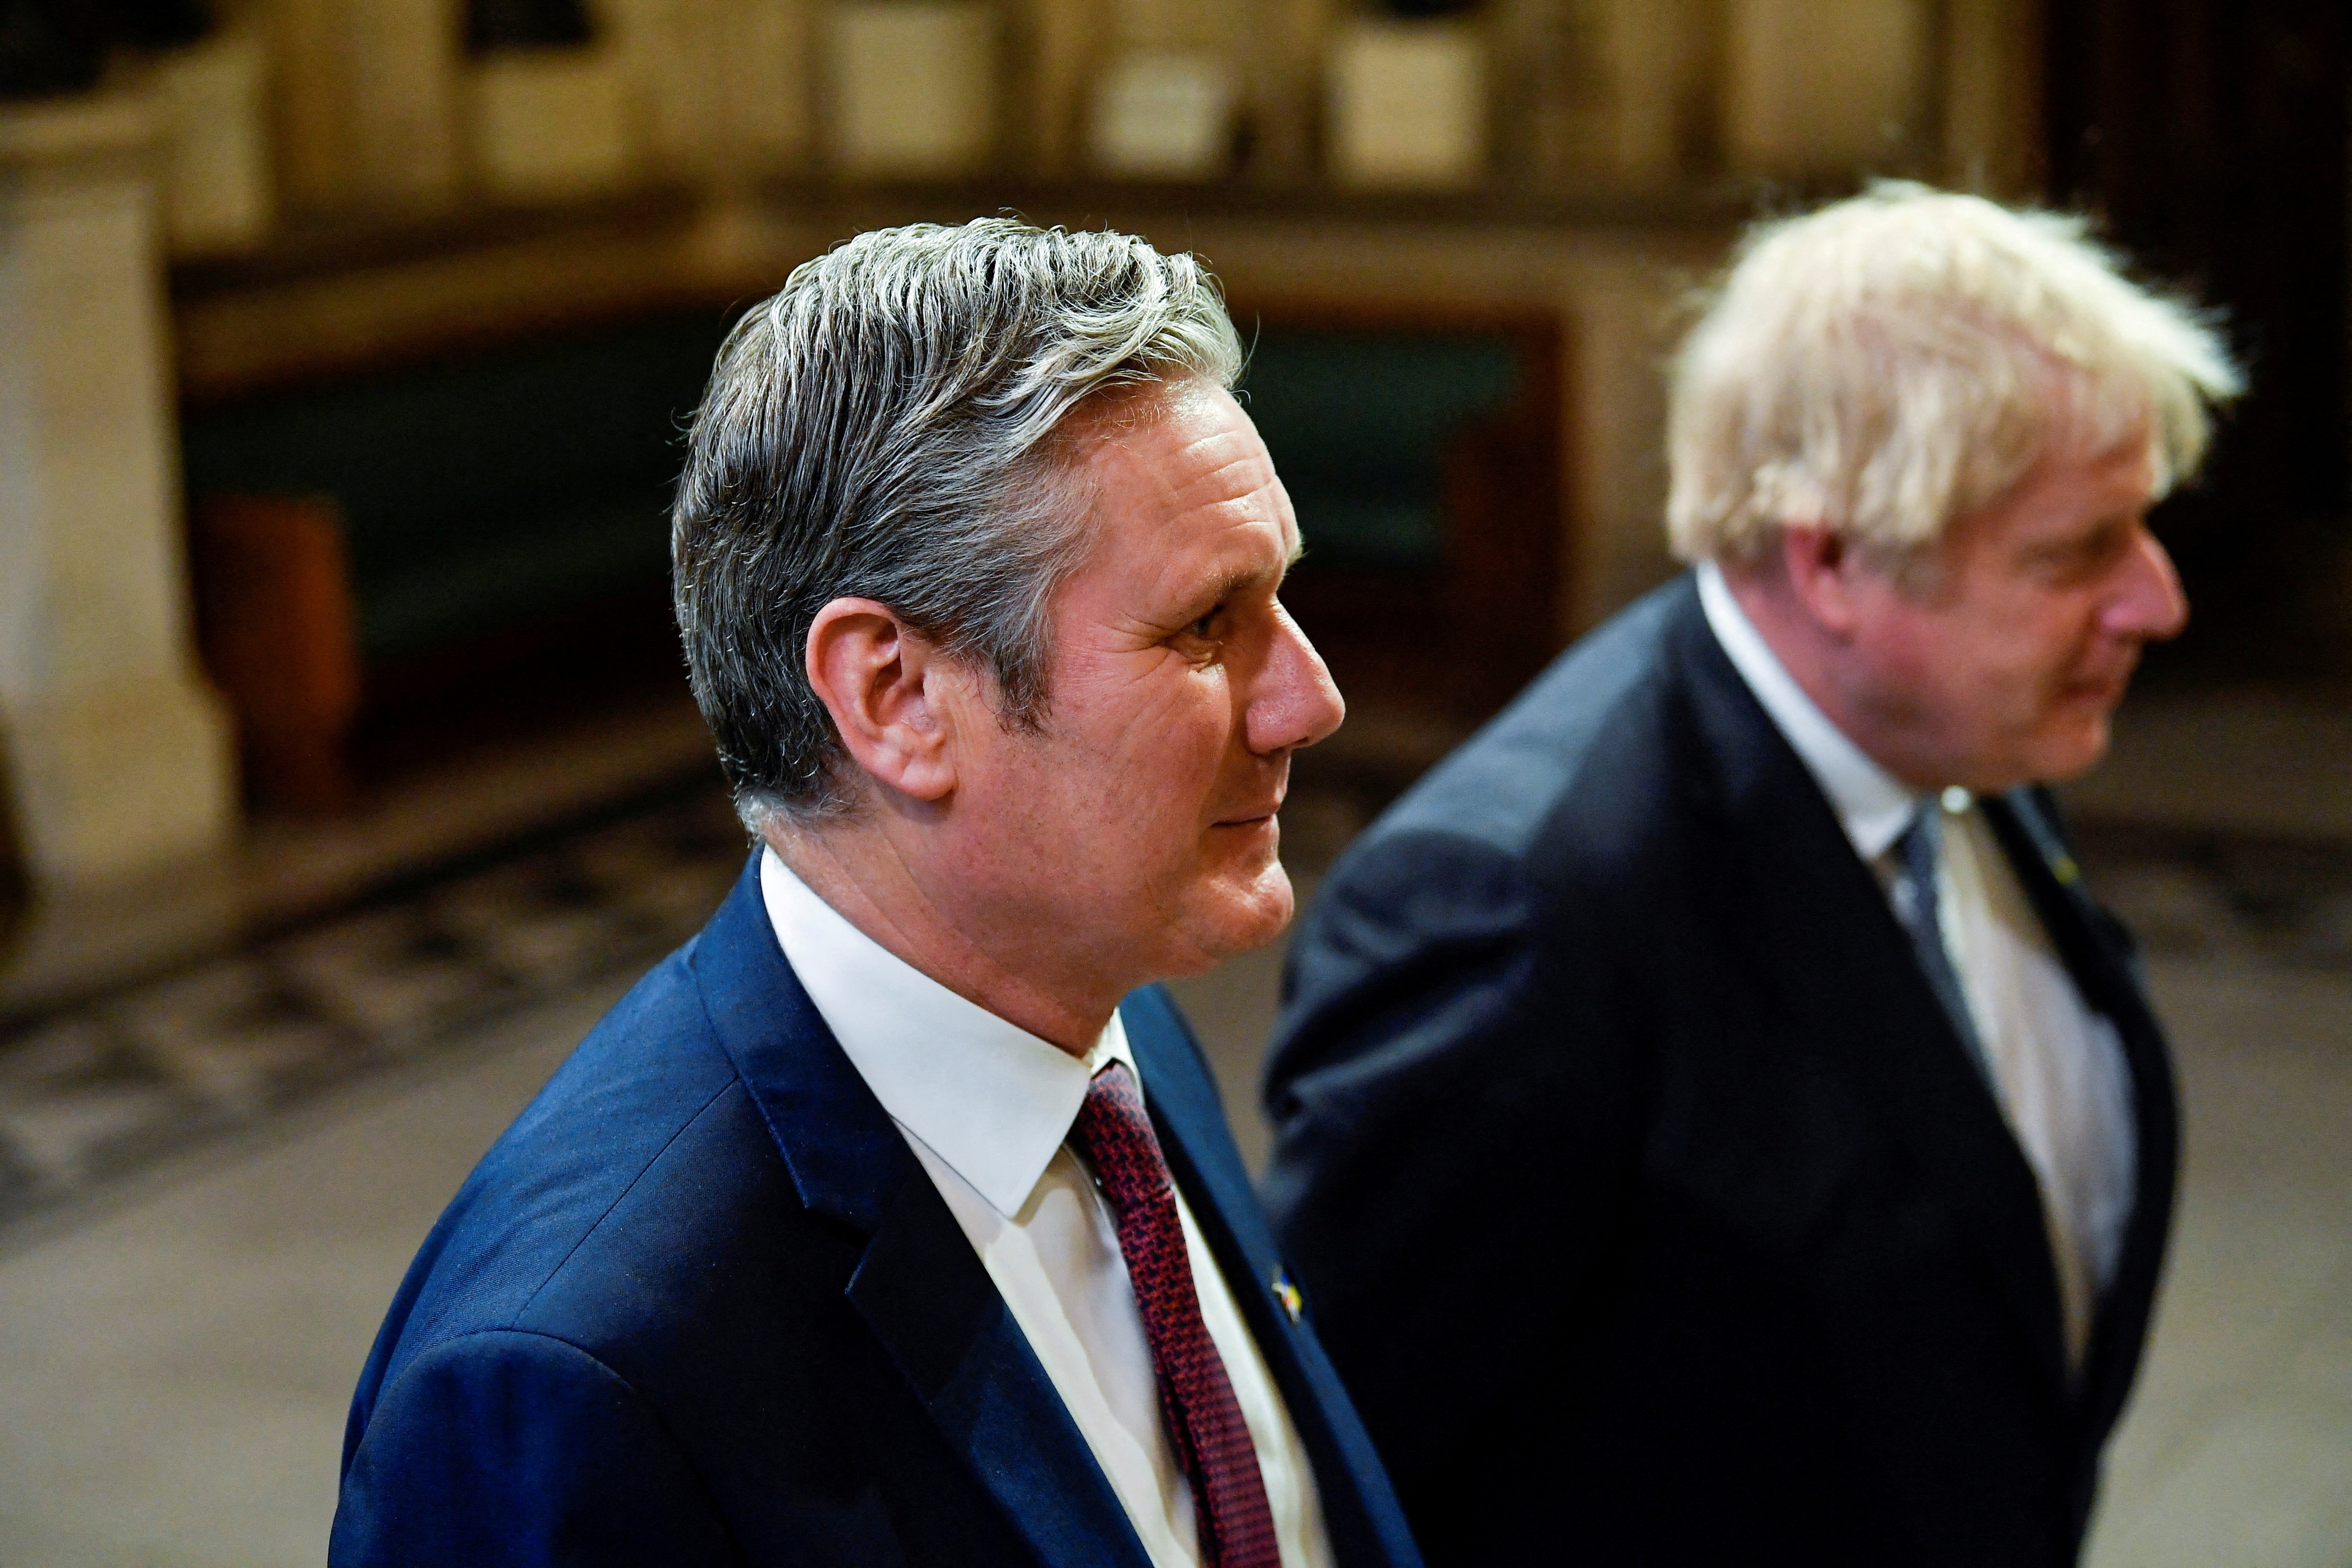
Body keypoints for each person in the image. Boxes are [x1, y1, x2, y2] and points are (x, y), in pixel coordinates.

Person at [330, 219, 1423, 1568]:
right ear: (896, 698)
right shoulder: (575, 1381)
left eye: (1284, 601)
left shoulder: (1110, 1040)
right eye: (1207, 623)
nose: (1308, 699)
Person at [1260, 183, 2242, 1568]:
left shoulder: (1955, 732)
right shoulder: (1515, 908)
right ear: (1834, 556)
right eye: (2077, 551)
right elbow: (1350, 1466)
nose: (2155, 598)